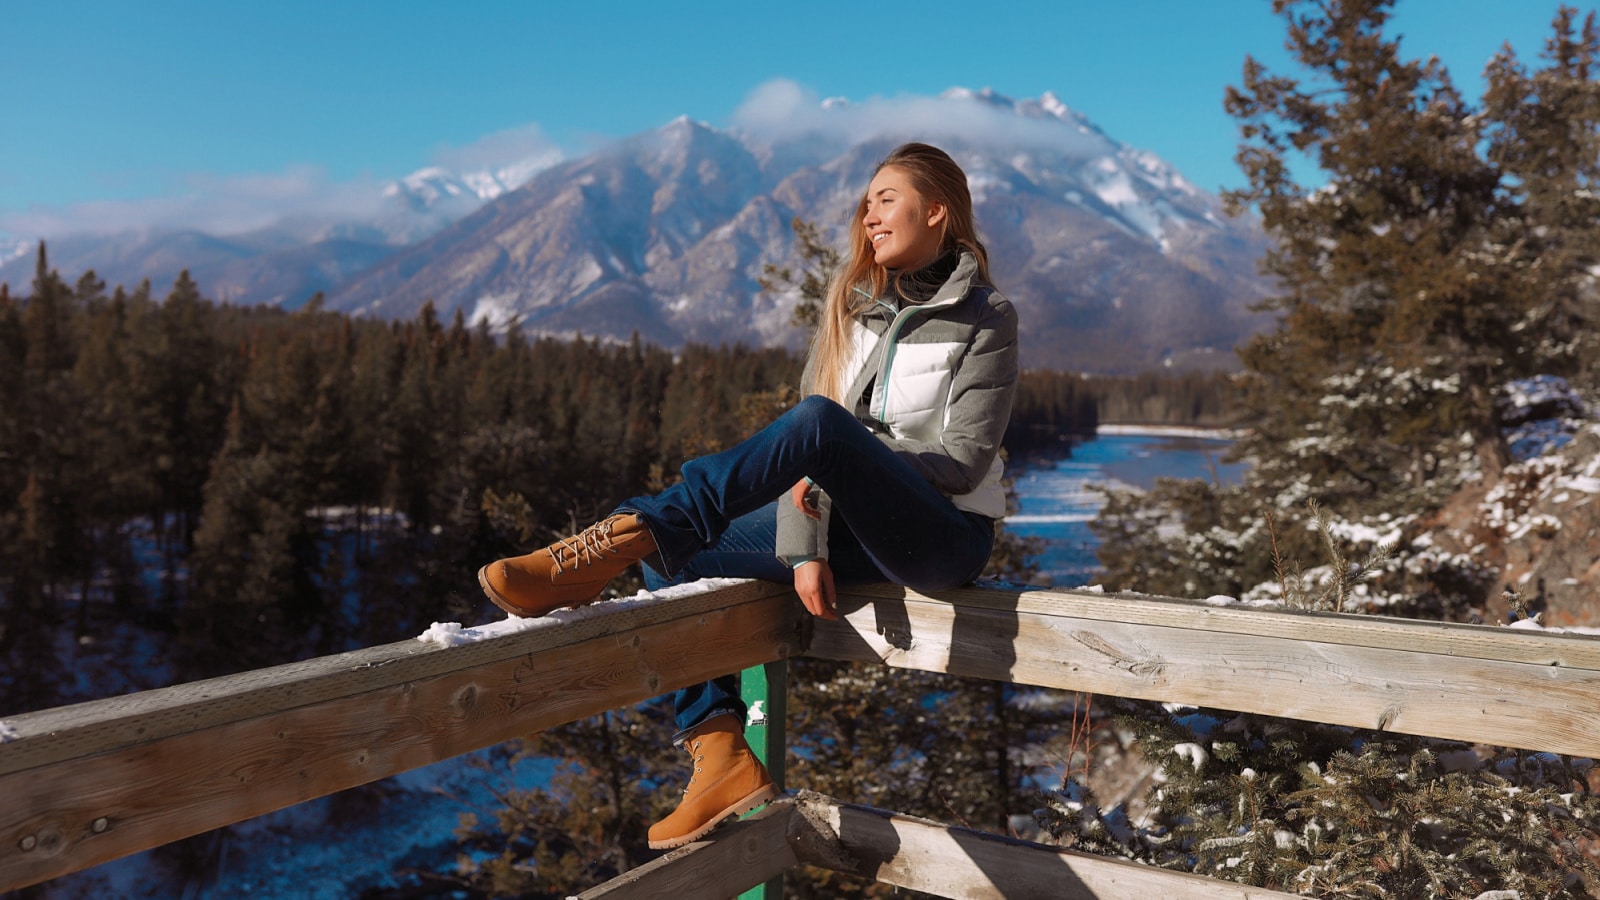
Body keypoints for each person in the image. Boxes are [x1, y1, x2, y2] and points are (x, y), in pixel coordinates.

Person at [477, 141, 1019, 850]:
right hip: (854, 533)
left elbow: (962, 460)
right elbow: (805, 469)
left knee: (820, 425)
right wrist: (803, 548)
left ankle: (618, 536)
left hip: (943, 537)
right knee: (676, 554)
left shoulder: (986, 316)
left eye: (887, 197)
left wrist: (857, 457)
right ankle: (720, 757)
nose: (869, 211)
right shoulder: (853, 315)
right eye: (867, 201)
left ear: (938, 210)